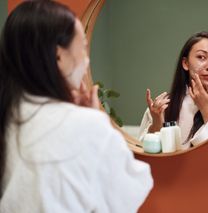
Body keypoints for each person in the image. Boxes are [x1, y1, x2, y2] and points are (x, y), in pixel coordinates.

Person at [0, 1, 152, 212]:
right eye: (83, 48)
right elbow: (130, 192)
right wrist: (96, 120)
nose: (86, 60)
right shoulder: (83, 124)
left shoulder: (10, 116)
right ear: (59, 56)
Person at [139, 31, 208, 150]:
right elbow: (145, 154)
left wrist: (207, 111)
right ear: (185, 63)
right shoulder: (163, 105)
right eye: (201, 57)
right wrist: (156, 123)